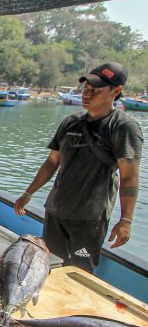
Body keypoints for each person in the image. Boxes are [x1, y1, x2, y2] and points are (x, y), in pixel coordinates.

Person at [14, 63, 142, 273]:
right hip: (56, 211)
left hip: (89, 218)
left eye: (95, 91)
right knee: (49, 265)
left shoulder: (122, 127)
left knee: (79, 272)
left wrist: (126, 220)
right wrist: (28, 193)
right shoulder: (70, 122)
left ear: (116, 92)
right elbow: (52, 162)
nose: (87, 95)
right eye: (86, 89)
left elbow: (129, 177)